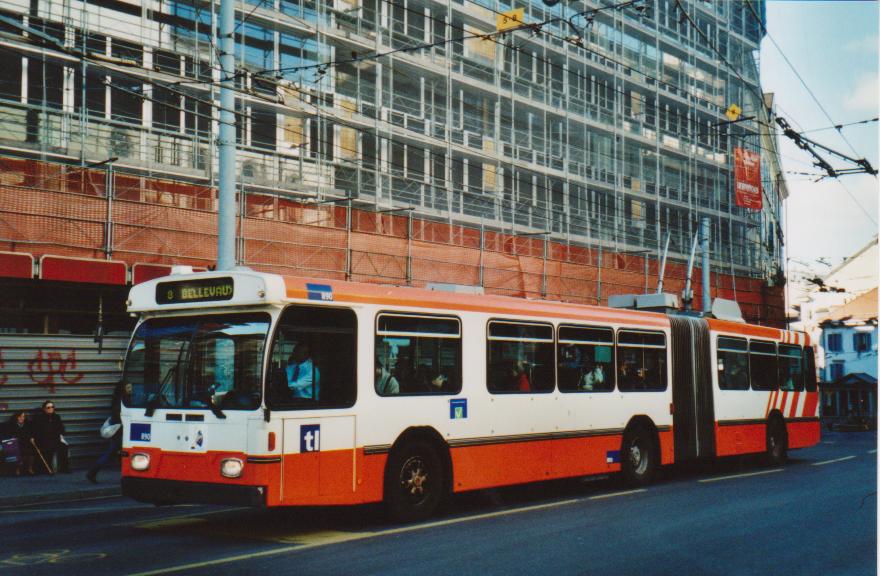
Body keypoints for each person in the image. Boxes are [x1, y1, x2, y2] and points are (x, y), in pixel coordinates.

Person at [86, 382, 130, 483]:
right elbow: (119, 417)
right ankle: (92, 472)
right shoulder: (122, 401)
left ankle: (92, 472)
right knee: (115, 453)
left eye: (131, 387)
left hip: (119, 432)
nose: (130, 389)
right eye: (128, 387)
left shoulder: (120, 399)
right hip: (120, 432)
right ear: (122, 389)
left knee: (112, 453)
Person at [31, 400, 70, 474]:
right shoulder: (39, 418)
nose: (51, 409)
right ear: (44, 409)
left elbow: (61, 428)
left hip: (55, 439)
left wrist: (60, 435)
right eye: (48, 407)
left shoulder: (56, 417)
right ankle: (46, 469)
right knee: (48, 449)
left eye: (52, 407)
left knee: (64, 447)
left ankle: (64, 468)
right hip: (43, 440)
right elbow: (34, 430)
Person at [2, 411, 35, 476]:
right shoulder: (12, 425)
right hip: (16, 444)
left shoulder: (28, 425)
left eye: (23, 417)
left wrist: (32, 438)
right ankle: (17, 469)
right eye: (20, 417)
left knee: (31, 453)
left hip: (26, 443)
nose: (22, 418)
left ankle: (30, 468)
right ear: (16, 417)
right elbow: (10, 435)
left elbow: (31, 434)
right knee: (17, 451)